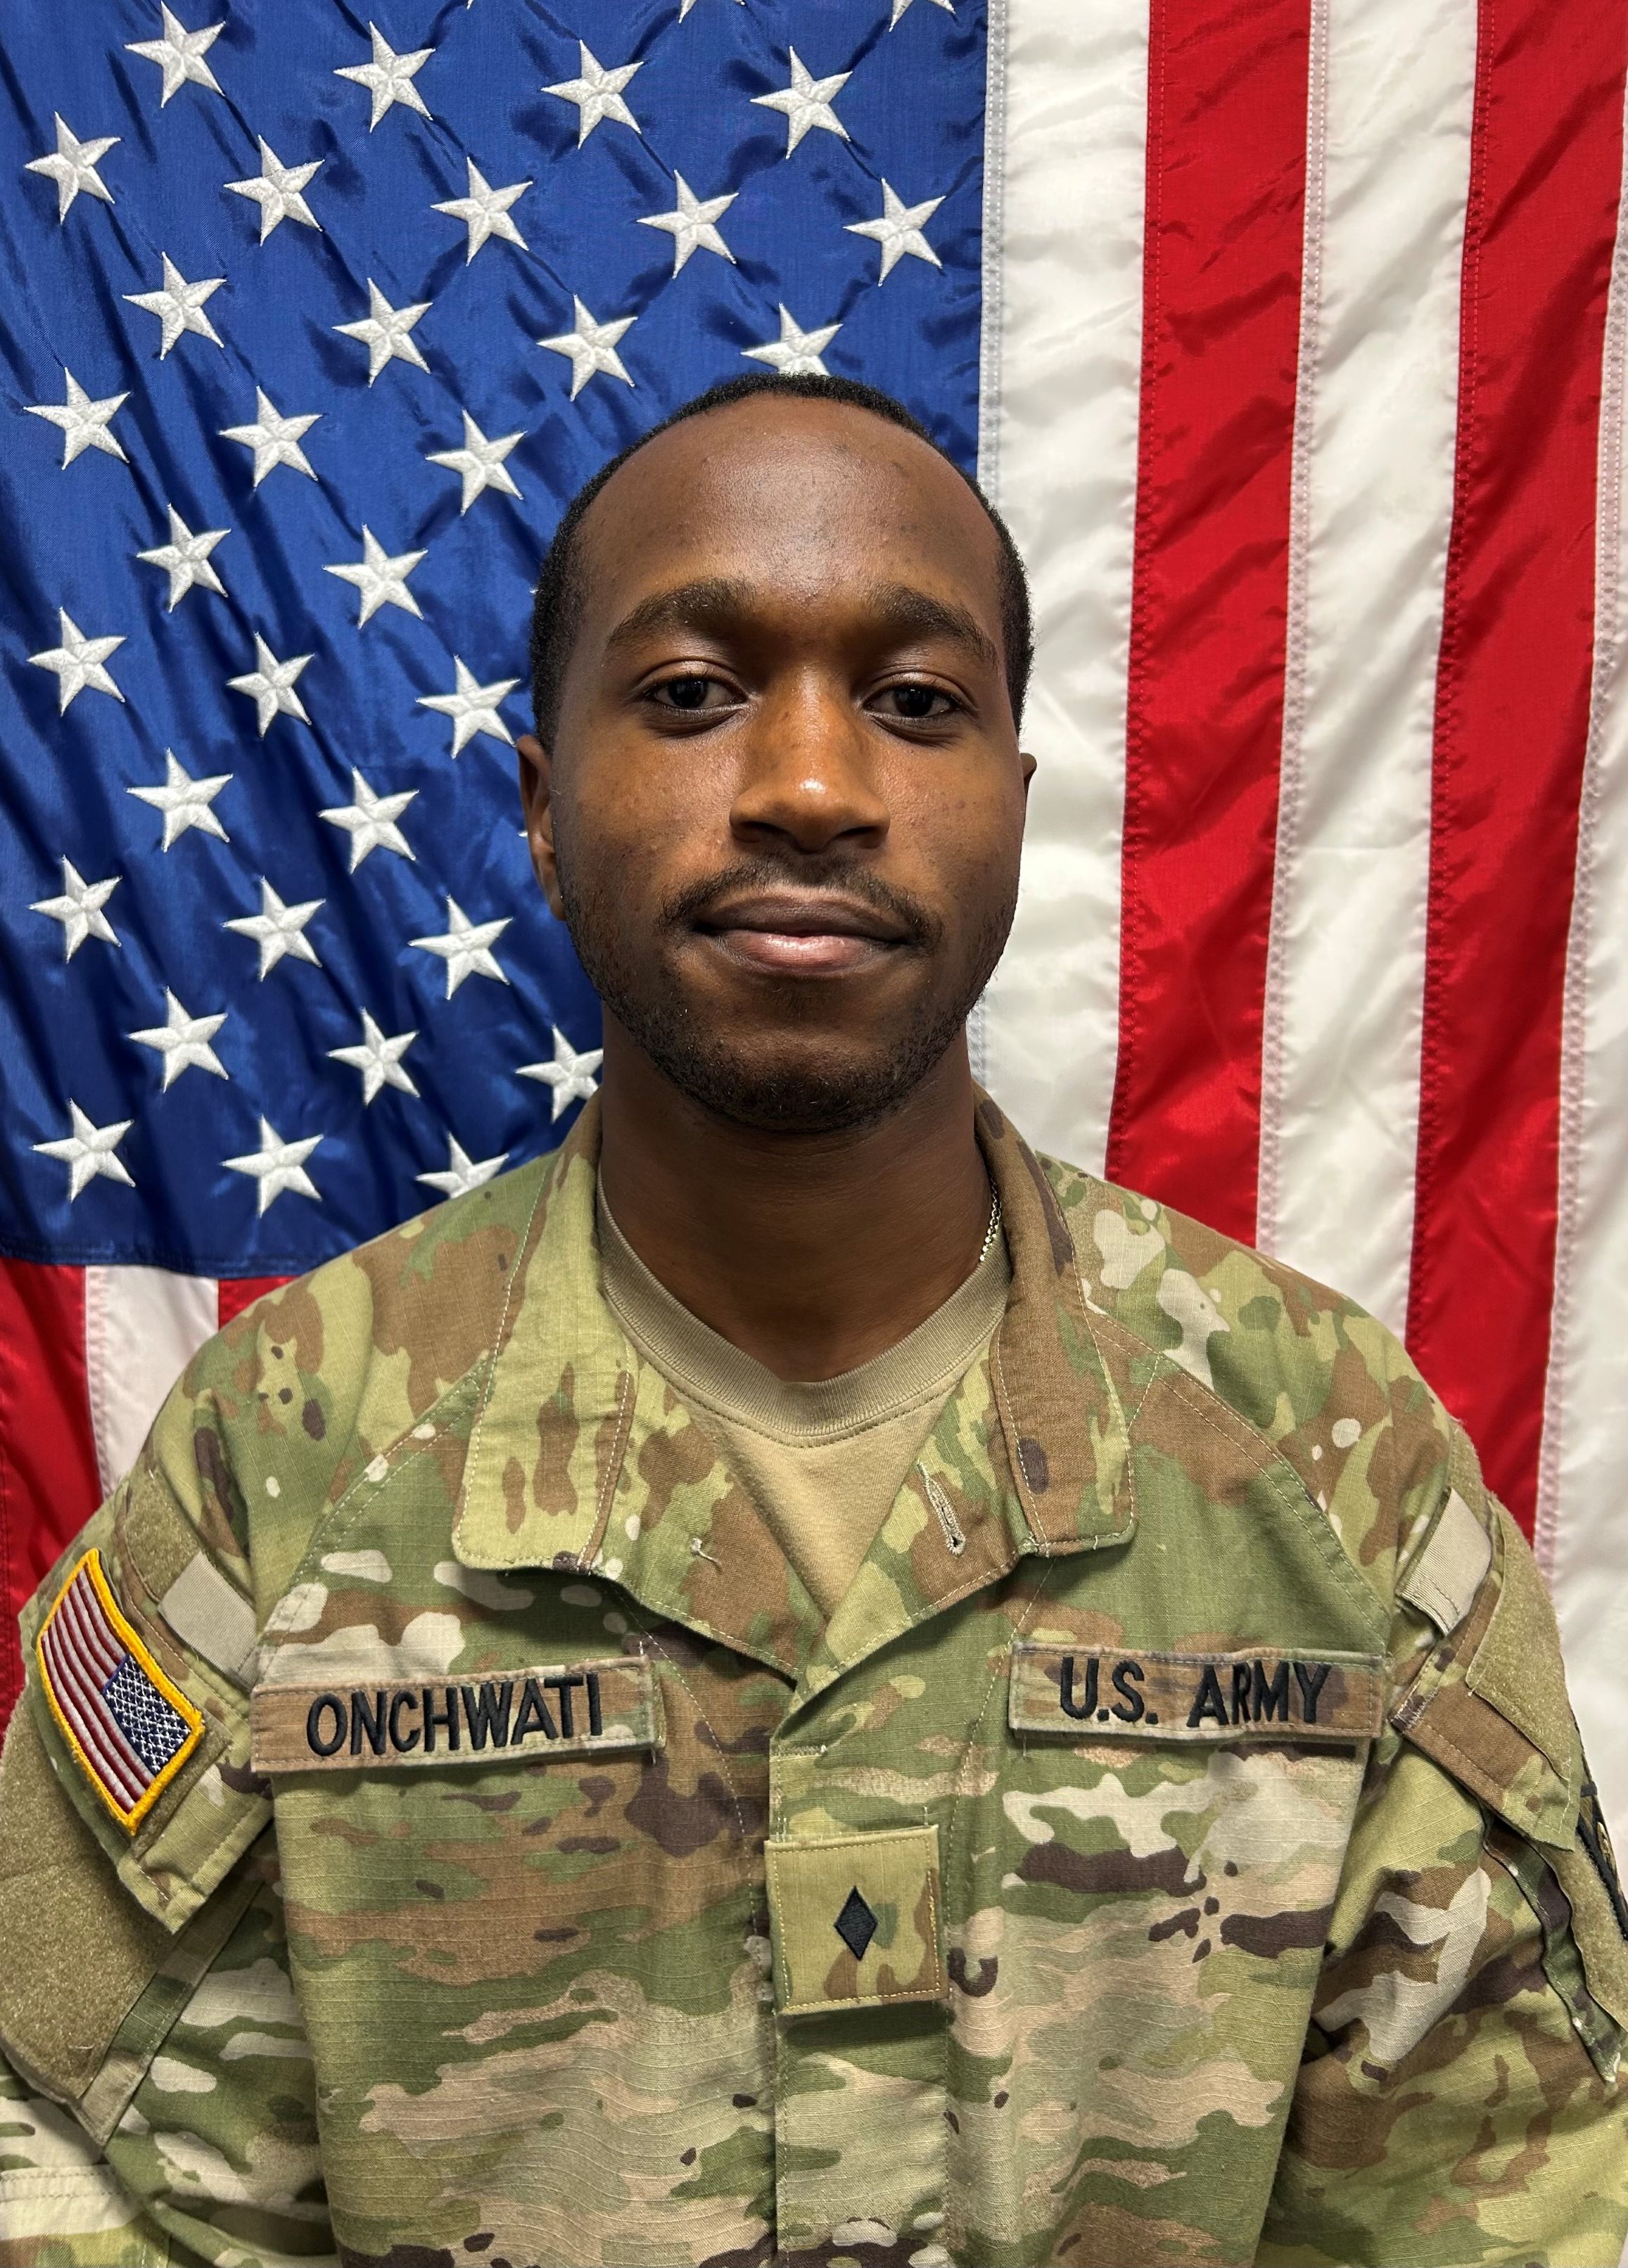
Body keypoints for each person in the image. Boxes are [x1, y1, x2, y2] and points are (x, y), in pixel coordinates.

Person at [1, 372, 1624, 2268]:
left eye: (914, 704)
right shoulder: (287, 1455)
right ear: (539, 804)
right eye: (690, 694)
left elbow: (1509, 2198)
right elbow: (74, 2154)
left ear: (1012, 812)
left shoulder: (1318, 1453)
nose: (808, 788)